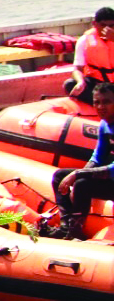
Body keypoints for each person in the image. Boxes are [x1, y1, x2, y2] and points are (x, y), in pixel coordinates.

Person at [42, 82, 114, 240]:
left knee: (82, 185)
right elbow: (98, 157)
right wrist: (80, 174)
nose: (101, 107)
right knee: (60, 176)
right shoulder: (104, 125)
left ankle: (76, 233)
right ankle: (65, 227)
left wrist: (79, 175)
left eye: (107, 102)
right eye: (97, 102)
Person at [65, 7, 114, 102]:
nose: (107, 29)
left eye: (111, 25)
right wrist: (80, 82)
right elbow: (77, 69)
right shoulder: (84, 40)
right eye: (103, 25)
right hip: (98, 85)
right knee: (70, 84)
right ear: (94, 24)